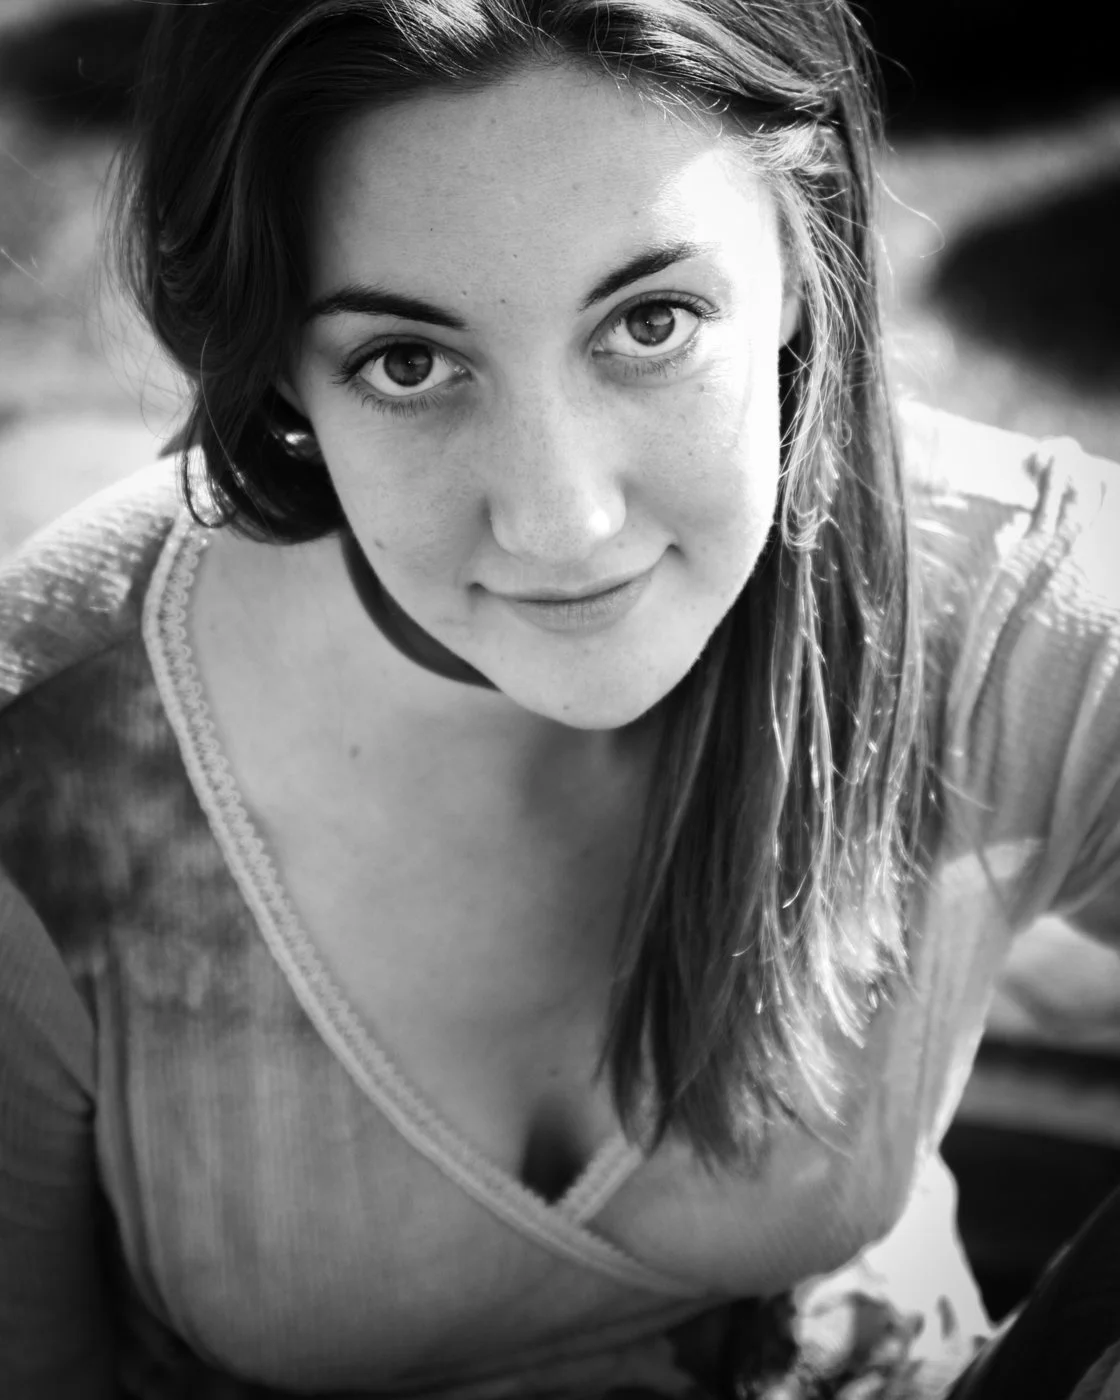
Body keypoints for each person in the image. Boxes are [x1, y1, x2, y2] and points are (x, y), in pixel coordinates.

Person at [0, 0, 1117, 1396]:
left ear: (803, 262)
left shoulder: (1008, 601)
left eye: (651, 321)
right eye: (408, 363)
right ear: (275, 368)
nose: (564, 522)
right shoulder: (51, 757)